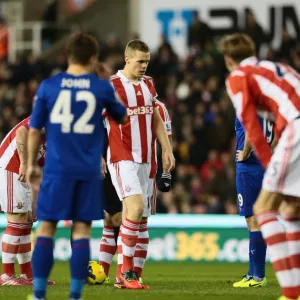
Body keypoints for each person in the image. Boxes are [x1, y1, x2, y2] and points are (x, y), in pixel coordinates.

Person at [26, 32, 127, 300]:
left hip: (56, 169)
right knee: (81, 230)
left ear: (67, 56)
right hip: (88, 170)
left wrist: (29, 163)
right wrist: (106, 82)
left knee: (46, 227)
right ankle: (75, 295)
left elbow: (35, 129)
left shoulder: (49, 86)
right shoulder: (101, 87)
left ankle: (38, 294)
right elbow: (123, 117)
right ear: (94, 58)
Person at [220, 33, 300, 300]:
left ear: (228, 59)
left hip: (295, 128)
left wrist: (269, 166)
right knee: (291, 207)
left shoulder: (237, 77)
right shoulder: (277, 68)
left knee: (264, 207)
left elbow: (251, 124)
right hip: (291, 126)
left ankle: (289, 292)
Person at [103, 39, 175, 289]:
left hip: (148, 160)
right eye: (140, 61)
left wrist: (167, 149)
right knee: (132, 210)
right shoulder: (111, 86)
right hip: (123, 157)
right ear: (127, 59)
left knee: (142, 219)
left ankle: (133, 274)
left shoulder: (148, 84)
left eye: (147, 61)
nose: (144, 66)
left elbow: (155, 117)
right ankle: (125, 274)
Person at [99, 99, 172, 285]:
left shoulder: (159, 108)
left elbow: (166, 138)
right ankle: (113, 273)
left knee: (141, 221)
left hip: (147, 170)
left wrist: (165, 171)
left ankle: (133, 274)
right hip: (120, 164)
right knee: (116, 217)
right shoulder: (117, 102)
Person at [0, 117, 47, 286]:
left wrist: (35, 201)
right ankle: (6, 276)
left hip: (26, 172)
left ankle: (27, 275)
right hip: (12, 167)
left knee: (27, 221)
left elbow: (40, 169)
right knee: (17, 220)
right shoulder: (52, 114)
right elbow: (21, 132)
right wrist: (24, 163)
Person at [233, 116, 274, 288]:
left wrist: (246, 152)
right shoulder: (268, 107)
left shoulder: (248, 104)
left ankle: (257, 276)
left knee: (253, 219)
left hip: (249, 166)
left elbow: (251, 128)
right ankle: (253, 273)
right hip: (264, 164)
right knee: (257, 218)